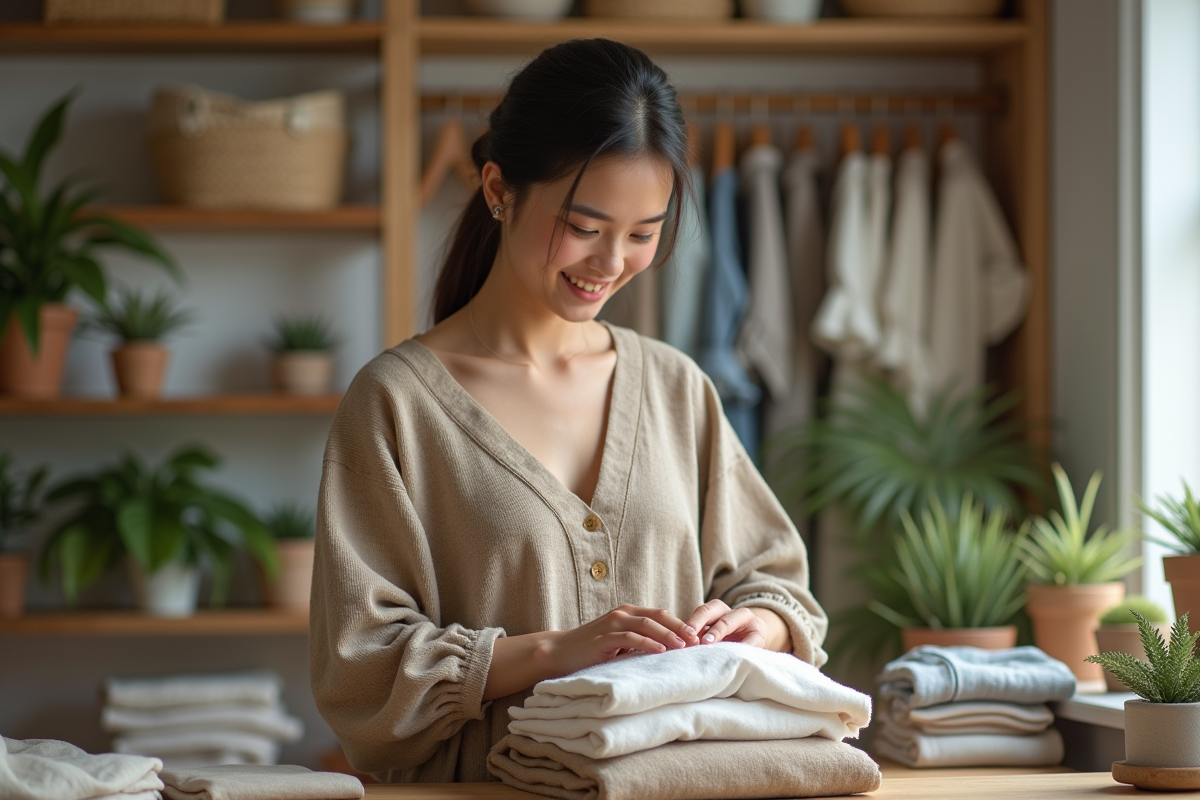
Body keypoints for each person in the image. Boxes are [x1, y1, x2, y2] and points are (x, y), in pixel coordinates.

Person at [309, 38, 828, 784]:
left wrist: (763, 624)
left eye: (644, 234)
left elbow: (778, 583)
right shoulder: (395, 405)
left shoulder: (677, 388)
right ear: (498, 189)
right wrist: (555, 651)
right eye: (584, 227)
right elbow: (358, 667)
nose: (611, 263)